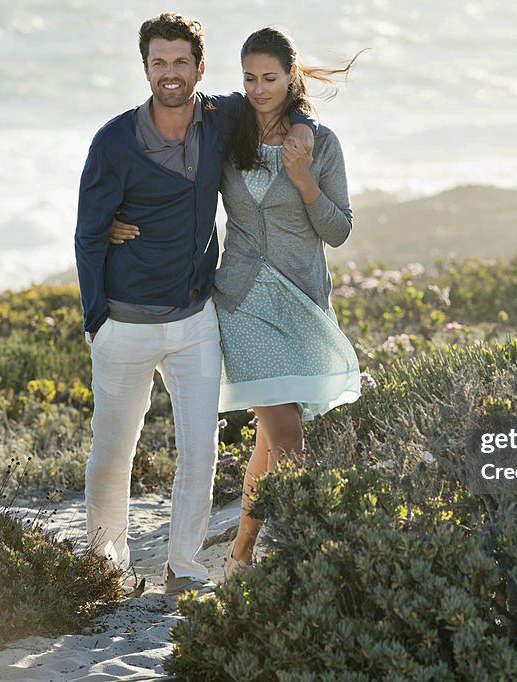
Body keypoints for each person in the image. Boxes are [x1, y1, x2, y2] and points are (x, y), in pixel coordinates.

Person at [74, 12, 317, 598]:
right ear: (146, 68)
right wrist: (96, 320)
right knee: (113, 452)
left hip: (193, 319)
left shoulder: (220, 117)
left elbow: (272, 99)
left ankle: (183, 563)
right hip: (125, 324)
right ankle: (106, 562)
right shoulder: (114, 141)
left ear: (199, 68)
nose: (170, 73)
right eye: (159, 62)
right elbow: (87, 232)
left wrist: (304, 124)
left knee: (200, 450)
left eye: (181, 61)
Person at [109, 27, 362, 579]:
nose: (258, 89)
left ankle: (242, 554)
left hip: (303, 301)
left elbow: (339, 230)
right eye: (249, 77)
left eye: (269, 78)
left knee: (273, 440)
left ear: (291, 77)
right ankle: (306, 553)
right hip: (243, 299)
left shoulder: (320, 144)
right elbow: (178, 186)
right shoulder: (229, 130)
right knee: (287, 432)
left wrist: (304, 180)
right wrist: (114, 221)